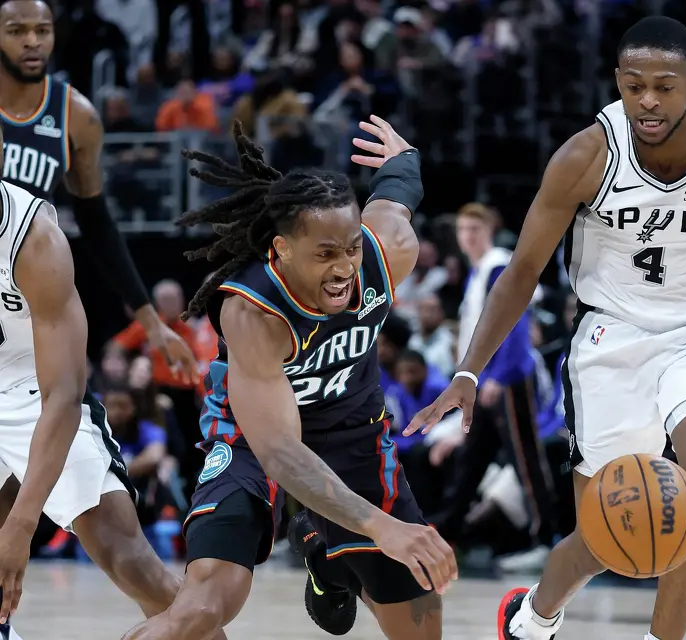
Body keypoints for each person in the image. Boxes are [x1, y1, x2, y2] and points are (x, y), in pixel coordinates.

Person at [407, 17, 686, 640]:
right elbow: (522, 269)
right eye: (634, 87)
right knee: (609, 532)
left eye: (664, 86)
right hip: (610, 341)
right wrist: (469, 369)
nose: (648, 101)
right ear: (618, 85)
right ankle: (533, 617)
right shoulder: (586, 155)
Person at [120, 118, 456, 640]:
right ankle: (329, 543)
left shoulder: (386, 252)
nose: (345, 267)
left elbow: (397, 192)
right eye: (325, 253)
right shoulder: (253, 312)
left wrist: (403, 159)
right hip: (255, 440)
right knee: (202, 610)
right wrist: (384, 528)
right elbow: (280, 453)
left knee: (421, 629)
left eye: (350, 247)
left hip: (353, 434)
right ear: (281, 250)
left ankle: (330, 559)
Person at [0, 124, 192, 640]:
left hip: (34, 392)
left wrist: (22, 524)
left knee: (128, 559)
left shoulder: (32, 236)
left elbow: (63, 394)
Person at [0, 0, 195, 376]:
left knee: (70, 410)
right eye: (16, 31)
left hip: (27, 289)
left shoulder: (76, 115)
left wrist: (152, 325)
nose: (31, 41)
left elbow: (98, 225)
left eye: (42, 30)